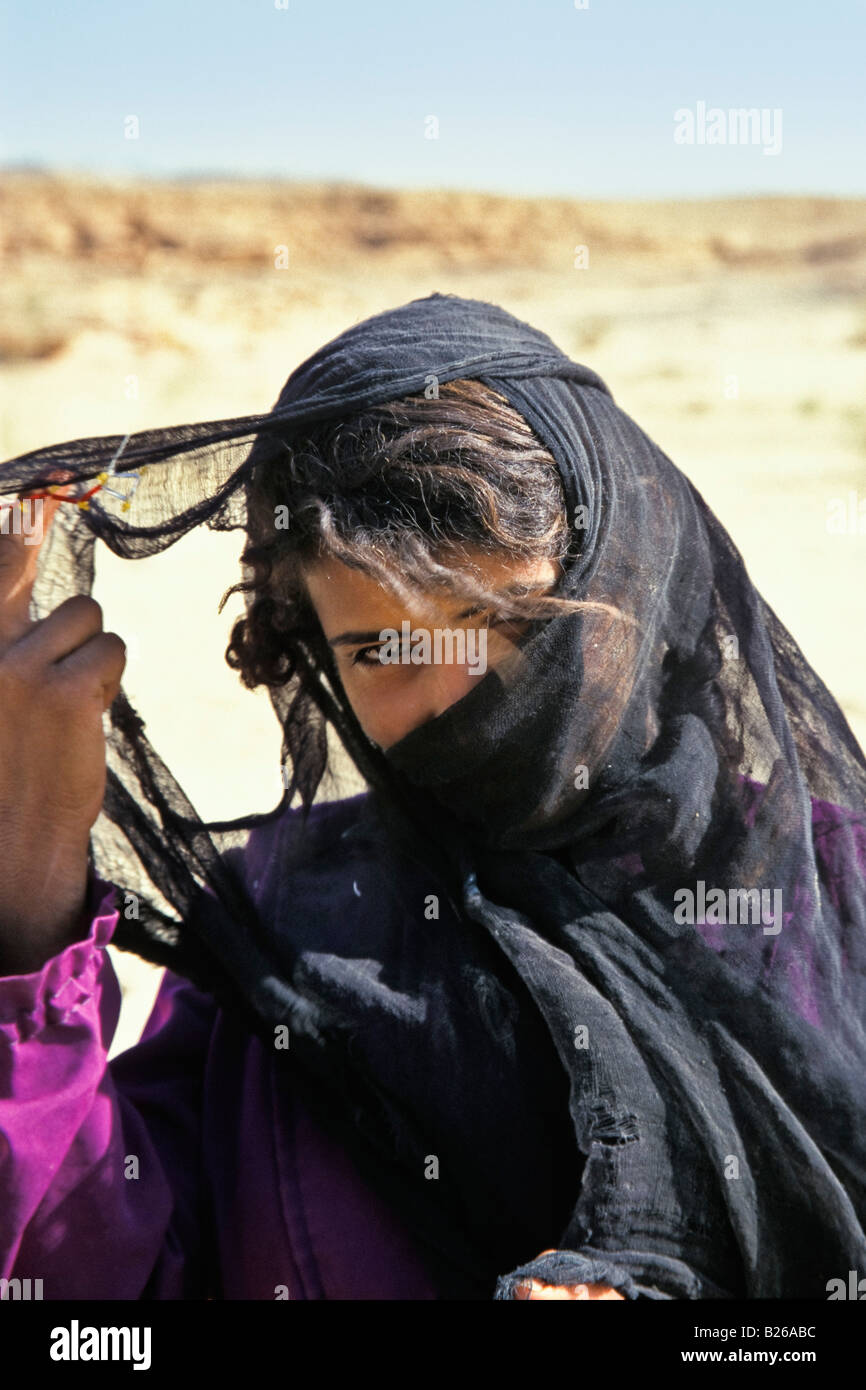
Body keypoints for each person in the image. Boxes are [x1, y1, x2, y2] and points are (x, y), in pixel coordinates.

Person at [1, 293, 864, 1302]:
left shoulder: (824, 891)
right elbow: (88, 1285)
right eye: (379, 651)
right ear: (313, 660)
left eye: (498, 618)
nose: (457, 695)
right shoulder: (281, 931)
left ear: (626, 584)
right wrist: (28, 903)